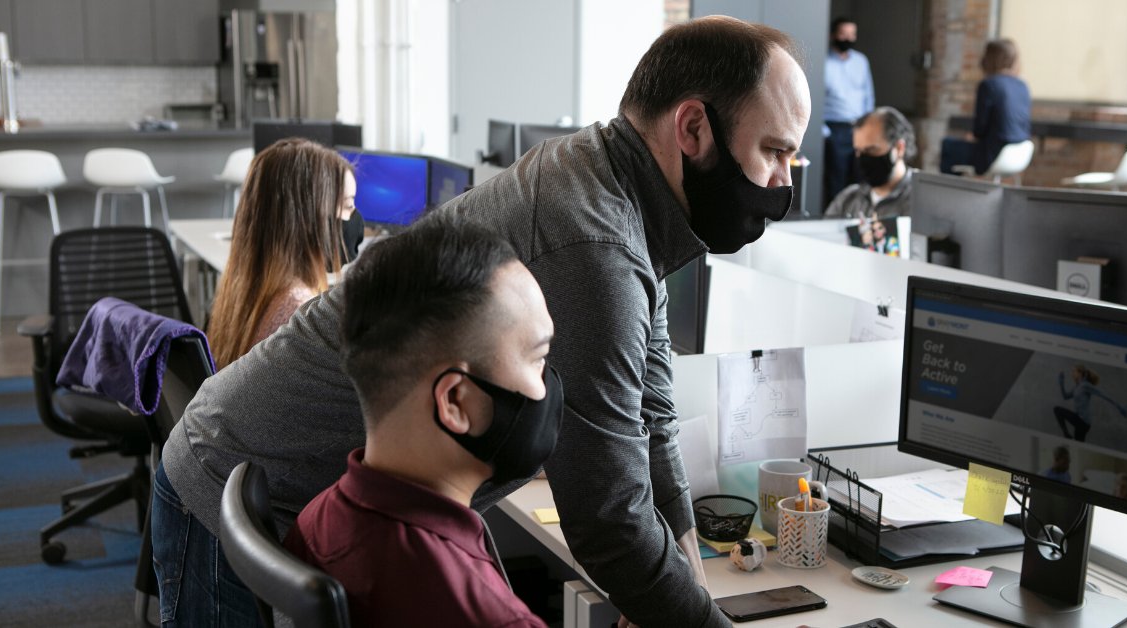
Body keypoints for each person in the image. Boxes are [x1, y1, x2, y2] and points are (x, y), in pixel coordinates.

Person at [155, 15, 810, 628]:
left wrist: (690, 587)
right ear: (693, 129)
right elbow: (608, 519)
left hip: (310, 497)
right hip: (233, 488)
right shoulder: (596, 243)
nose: (783, 186)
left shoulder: (617, 188)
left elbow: (653, 412)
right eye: (775, 152)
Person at [284, 214, 555, 627]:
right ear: (455, 401)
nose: (549, 385)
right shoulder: (490, 617)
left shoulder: (319, 518)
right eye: (538, 360)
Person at [205, 138, 354, 367]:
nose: (354, 217)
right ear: (310, 216)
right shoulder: (299, 311)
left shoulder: (247, 290)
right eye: (347, 204)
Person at [939, 39, 1031, 176]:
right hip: (1021, 153)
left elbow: (980, 129)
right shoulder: (1022, 85)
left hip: (994, 153)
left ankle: (950, 193)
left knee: (948, 145)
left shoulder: (988, 85)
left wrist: (973, 136)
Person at [824, 107, 916, 219]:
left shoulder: (922, 200)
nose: (863, 158)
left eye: (871, 150)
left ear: (899, 148)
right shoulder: (848, 200)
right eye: (858, 151)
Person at [823, 16, 874, 206]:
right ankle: (833, 220)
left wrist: (869, 125)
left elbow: (868, 94)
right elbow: (816, 95)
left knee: (860, 178)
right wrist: (823, 130)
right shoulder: (824, 62)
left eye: (852, 34)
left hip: (860, 127)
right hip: (835, 129)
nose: (848, 38)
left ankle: (856, 220)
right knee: (836, 179)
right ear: (833, 35)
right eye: (843, 34)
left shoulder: (861, 61)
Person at [1053, 365, 1127, 442]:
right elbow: (1065, 396)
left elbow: (1103, 395)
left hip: (1083, 422)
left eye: (1074, 371)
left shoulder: (1085, 385)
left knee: (1057, 409)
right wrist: (1061, 382)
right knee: (1078, 442)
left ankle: (1066, 434)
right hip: (1079, 421)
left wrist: (1119, 407)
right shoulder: (1076, 387)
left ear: (1080, 373)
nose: (1072, 373)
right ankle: (1066, 435)